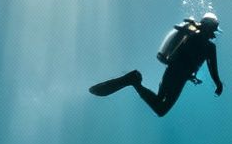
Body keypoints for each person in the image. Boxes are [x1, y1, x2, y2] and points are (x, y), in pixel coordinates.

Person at [90, 12, 222, 117]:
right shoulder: (209, 47)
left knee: (159, 104)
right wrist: (218, 83)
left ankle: (133, 81)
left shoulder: (191, 35)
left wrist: (191, 76)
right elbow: (212, 68)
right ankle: (134, 81)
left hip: (172, 71)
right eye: (214, 29)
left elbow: (186, 58)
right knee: (161, 109)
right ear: (210, 27)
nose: (214, 33)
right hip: (178, 75)